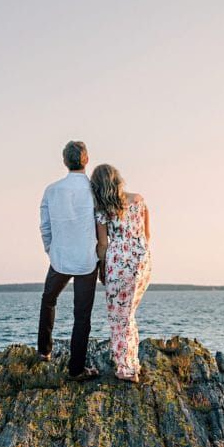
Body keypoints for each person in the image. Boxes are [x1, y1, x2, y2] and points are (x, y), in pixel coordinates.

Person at [37, 140, 100, 380]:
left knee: (48, 300)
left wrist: (50, 250)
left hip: (60, 258)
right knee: (82, 316)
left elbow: (45, 225)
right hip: (87, 259)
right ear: (86, 159)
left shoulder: (52, 190)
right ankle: (76, 369)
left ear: (65, 161)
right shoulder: (94, 189)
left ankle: (44, 351)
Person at [91, 164, 151, 383]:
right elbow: (147, 234)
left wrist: (102, 270)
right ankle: (132, 362)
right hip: (141, 261)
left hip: (118, 264)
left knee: (119, 317)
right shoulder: (139, 200)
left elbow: (103, 245)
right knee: (129, 315)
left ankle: (126, 369)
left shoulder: (102, 211)